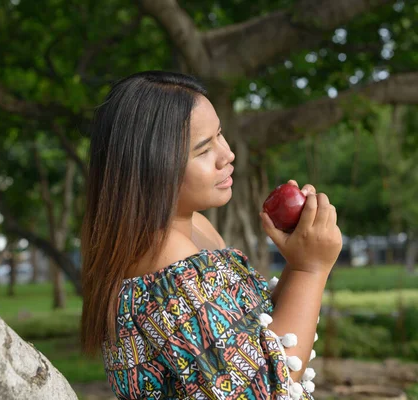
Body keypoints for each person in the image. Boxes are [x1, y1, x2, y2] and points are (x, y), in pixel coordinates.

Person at [80, 71, 342, 399]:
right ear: (153, 167)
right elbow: (262, 391)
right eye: (204, 150)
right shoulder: (163, 258)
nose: (227, 155)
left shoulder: (195, 227)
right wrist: (310, 269)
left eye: (220, 135)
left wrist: (299, 260)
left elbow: (252, 338)